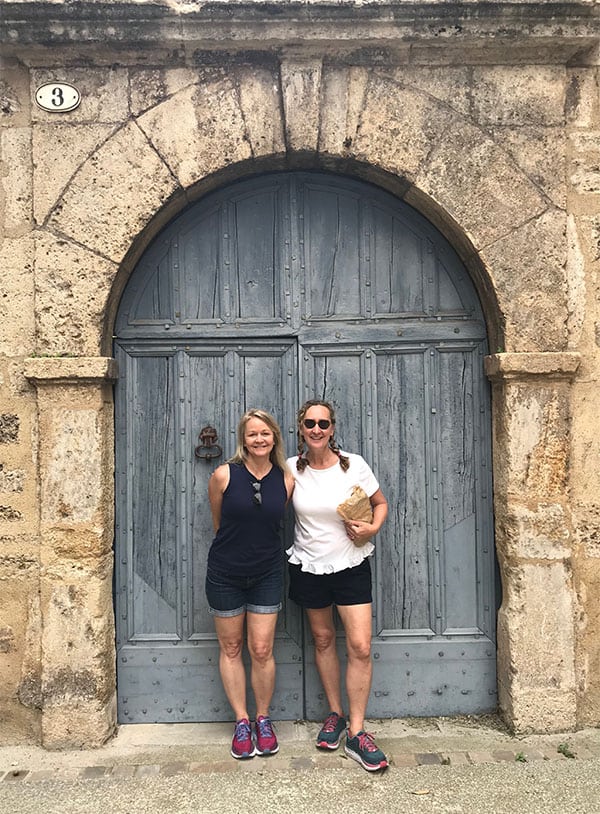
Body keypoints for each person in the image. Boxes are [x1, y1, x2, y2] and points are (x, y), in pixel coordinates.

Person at [286, 399, 389, 772]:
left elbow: (380, 503)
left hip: (351, 564)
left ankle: (358, 733)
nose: (317, 429)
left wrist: (373, 528)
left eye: (323, 423)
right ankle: (335, 714)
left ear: (332, 428)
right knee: (324, 640)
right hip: (309, 566)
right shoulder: (291, 470)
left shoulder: (353, 464)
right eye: (310, 423)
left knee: (360, 646)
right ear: (301, 428)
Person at [206, 409, 294, 760]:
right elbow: (218, 522)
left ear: (274, 437)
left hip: (268, 572)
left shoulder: (286, 479)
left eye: (265, 433)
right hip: (225, 572)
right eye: (252, 434)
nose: (259, 439)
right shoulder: (224, 475)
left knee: (261, 649)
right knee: (230, 648)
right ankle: (241, 722)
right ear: (243, 440)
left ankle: (263, 718)